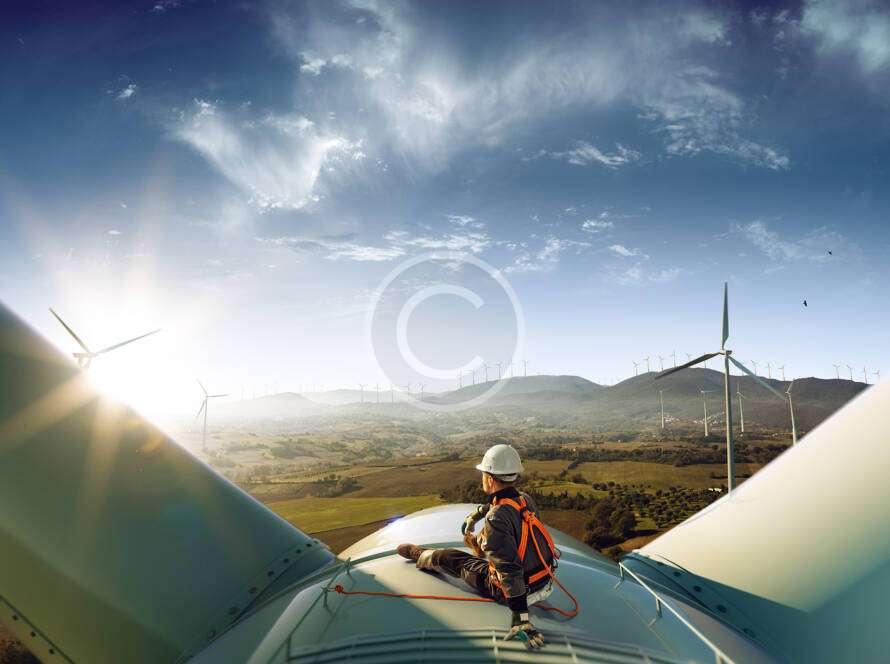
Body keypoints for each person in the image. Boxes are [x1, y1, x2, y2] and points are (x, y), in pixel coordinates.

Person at [397, 444, 558, 650]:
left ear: (489, 479)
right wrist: (476, 515)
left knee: (453, 558)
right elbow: (500, 505)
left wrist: (521, 619)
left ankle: (420, 554)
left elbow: (509, 570)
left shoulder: (496, 518)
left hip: (519, 592)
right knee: (491, 546)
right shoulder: (525, 499)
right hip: (545, 581)